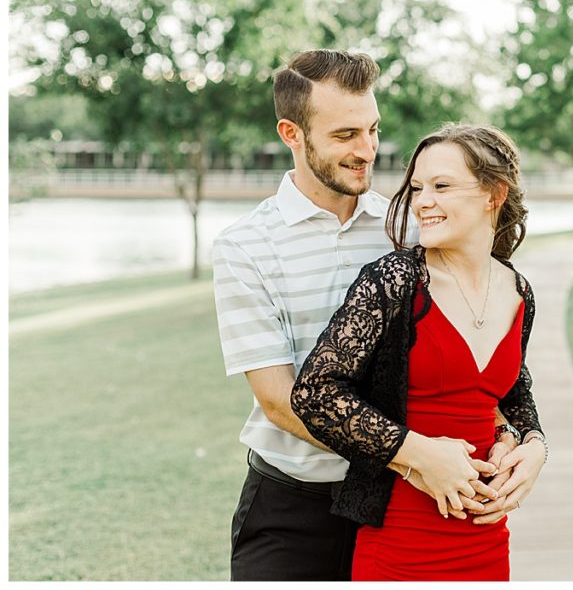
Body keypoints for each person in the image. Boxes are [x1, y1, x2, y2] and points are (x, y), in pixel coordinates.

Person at [211, 50, 528, 581]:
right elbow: (279, 400)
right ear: (292, 133)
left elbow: (488, 359)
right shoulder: (245, 246)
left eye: (373, 130)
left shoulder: (410, 226)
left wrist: (525, 439)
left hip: (405, 506)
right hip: (297, 504)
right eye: (345, 136)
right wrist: (417, 456)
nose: (368, 150)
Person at [291, 122, 548, 581]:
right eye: (417, 188)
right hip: (400, 539)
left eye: (441, 186)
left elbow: (513, 394)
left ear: (494, 193)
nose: (422, 201)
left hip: (486, 539)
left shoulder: (518, 291)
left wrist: (534, 445)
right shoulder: (394, 281)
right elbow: (315, 393)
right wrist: (421, 454)